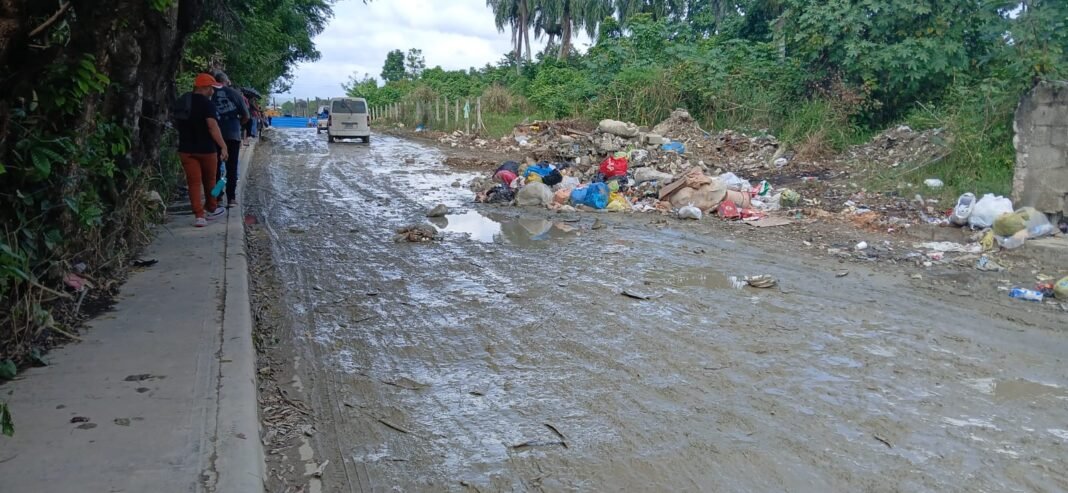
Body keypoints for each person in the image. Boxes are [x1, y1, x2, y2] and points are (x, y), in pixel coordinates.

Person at [176, 73, 228, 227]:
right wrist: (223, 146)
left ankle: (199, 216)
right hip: (206, 149)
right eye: (212, 88)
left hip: (186, 149)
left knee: (193, 183)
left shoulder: (183, 101)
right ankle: (212, 208)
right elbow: (212, 126)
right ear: (205, 88)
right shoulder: (207, 104)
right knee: (210, 180)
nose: (213, 91)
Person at [211, 71, 250, 208]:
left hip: (213, 135)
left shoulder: (209, 93)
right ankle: (231, 198)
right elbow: (246, 115)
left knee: (214, 167)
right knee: (231, 167)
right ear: (225, 81)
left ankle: (217, 196)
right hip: (232, 135)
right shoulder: (234, 94)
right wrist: (238, 125)